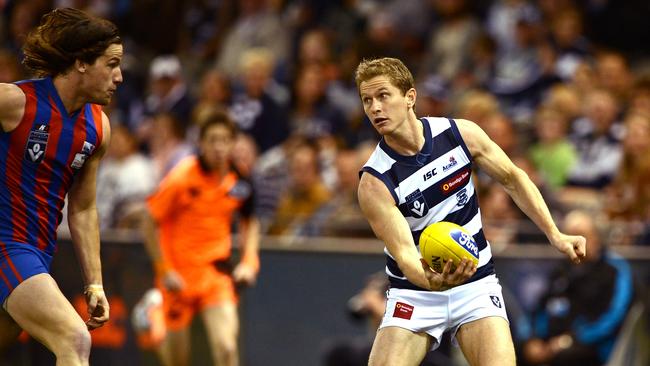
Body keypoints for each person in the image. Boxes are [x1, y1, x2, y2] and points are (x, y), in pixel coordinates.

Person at [354, 57, 586, 366]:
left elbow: (514, 179)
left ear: (410, 97)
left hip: (475, 284)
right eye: (367, 100)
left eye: (383, 96)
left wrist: (555, 234)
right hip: (415, 294)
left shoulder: (459, 135)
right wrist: (432, 281)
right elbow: (405, 254)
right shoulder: (374, 182)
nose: (375, 108)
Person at [0, 8, 122, 365]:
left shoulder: (99, 128)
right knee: (74, 339)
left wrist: (95, 283)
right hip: (6, 247)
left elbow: (82, 209)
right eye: (111, 64)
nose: (119, 76)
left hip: (39, 253)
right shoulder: (14, 103)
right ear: (82, 63)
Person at [142, 111, 260, 366]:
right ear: (202, 143)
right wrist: (164, 270)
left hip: (215, 275)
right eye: (212, 140)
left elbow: (250, 221)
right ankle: (150, 317)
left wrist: (249, 262)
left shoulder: (240, 179)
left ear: (232, 143)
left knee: (227, 348)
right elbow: (148, 220)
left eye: (225, 140)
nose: (219, 147)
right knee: (176, 360)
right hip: (178, 278)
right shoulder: (183, 177)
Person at [522, 210, 635, 366]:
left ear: (595, 237)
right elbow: (539, 308)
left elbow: (614, 316)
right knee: (519, 350)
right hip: (552, 343)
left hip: (592, 345)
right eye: (569, 236)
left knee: (566, 357)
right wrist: (532, 339)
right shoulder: (561, 270)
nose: (574, 242)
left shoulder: (614, 269)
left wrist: (570, 340)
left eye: (580, 235)